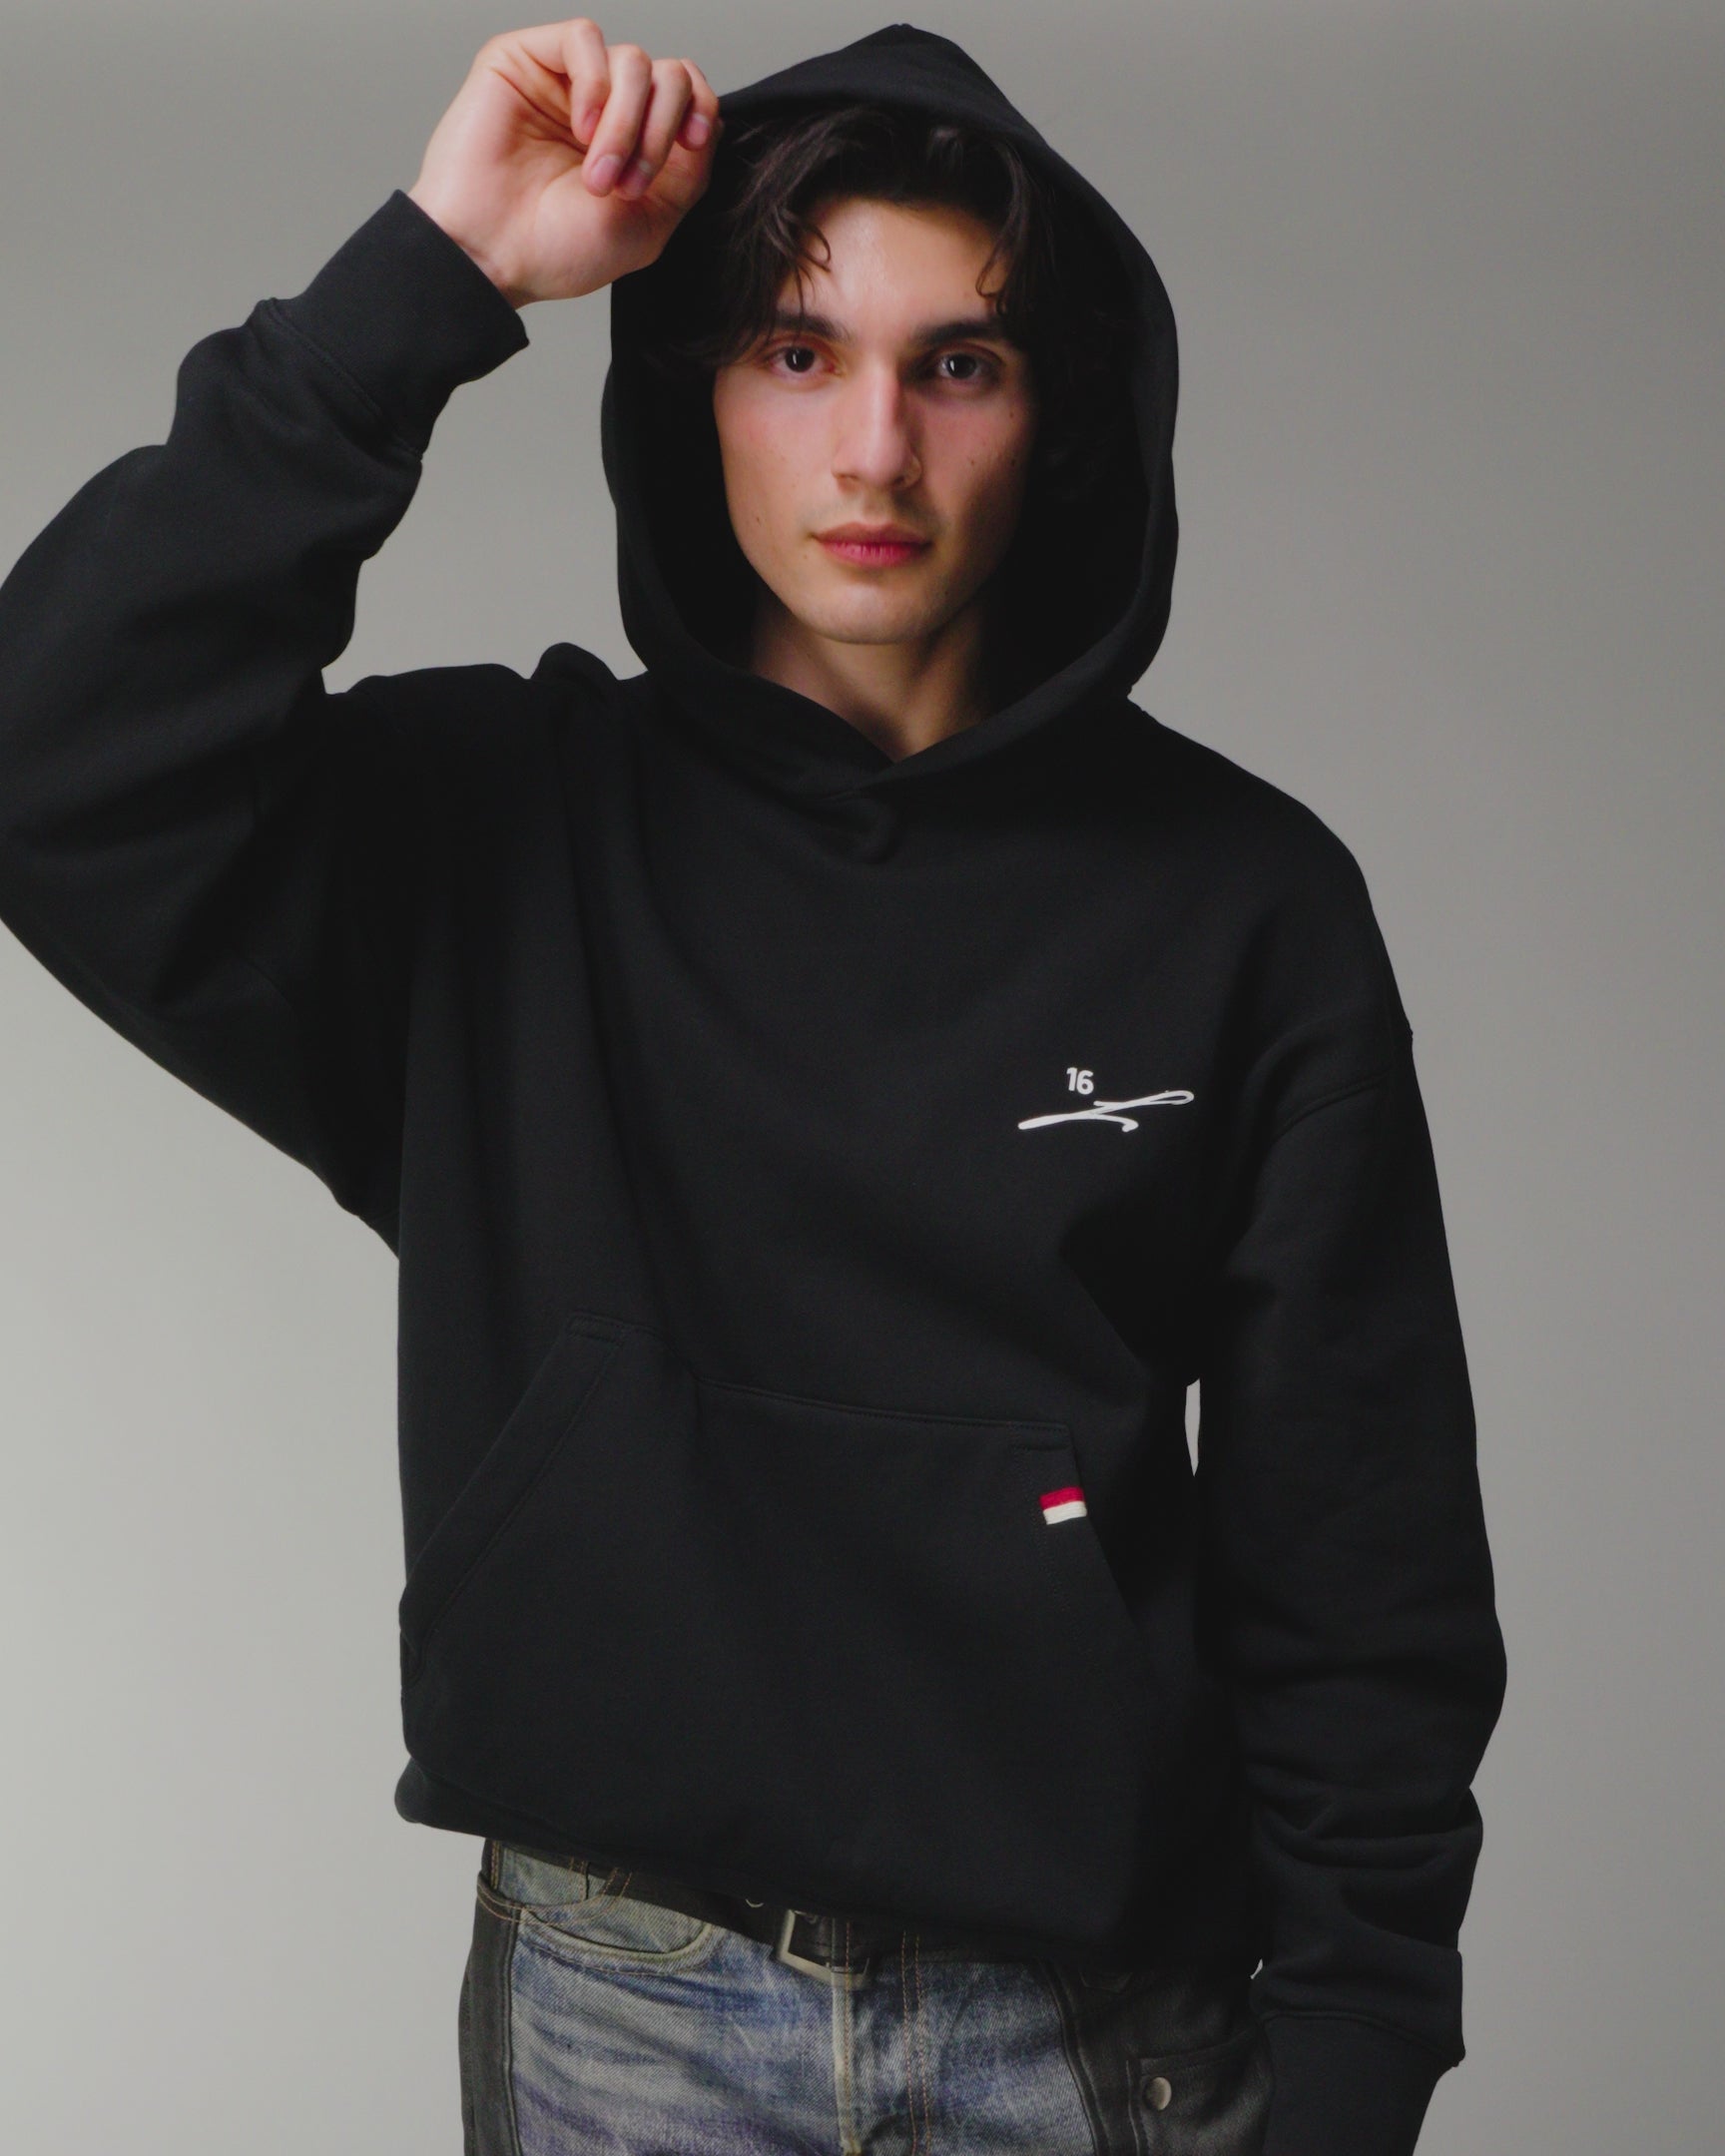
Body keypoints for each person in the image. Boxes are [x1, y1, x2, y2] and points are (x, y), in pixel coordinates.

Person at [0, 16, 1507, 2155]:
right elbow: (51, 751)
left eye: (958, 363)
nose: (875, 449)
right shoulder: (496, 835)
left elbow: (1360, 1552)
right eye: (797, 353)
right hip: (626, 2017)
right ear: (693, 388)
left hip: (1098, 2035)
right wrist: (435, 271)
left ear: (1059, 411)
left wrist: (1353, 2066)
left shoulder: (1245, 905)